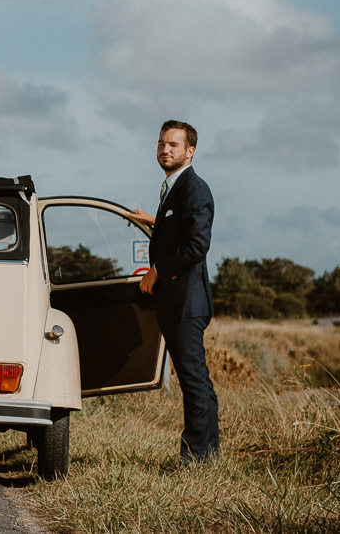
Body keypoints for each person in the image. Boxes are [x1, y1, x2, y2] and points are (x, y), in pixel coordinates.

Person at [127, 119, 219, 465]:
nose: (165, 149)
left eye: (174, 145)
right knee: (195, 381)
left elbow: (197, 245)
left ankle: (196, 459)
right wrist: (155, 221)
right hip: (178, 301)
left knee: (195, 383)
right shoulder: (174, 188)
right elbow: (180, 229)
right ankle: (206, 455)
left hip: (187, 302)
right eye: (162, 143)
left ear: (189, 151)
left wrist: (157, 271)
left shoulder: (194, 189)